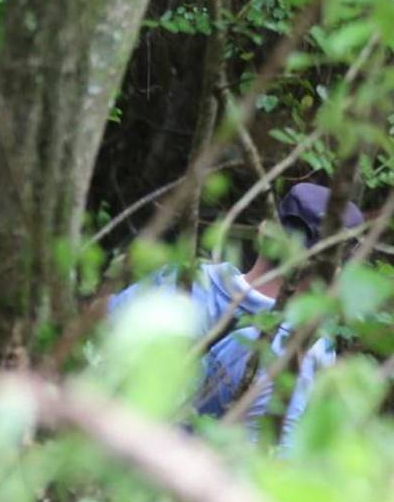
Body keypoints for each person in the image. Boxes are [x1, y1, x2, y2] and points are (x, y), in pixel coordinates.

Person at [109, 182, 363, 448]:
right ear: (333, 271)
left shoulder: (184, 277)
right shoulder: (301, 348)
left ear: (264, 231)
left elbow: (95, 335)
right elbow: (273, 463)